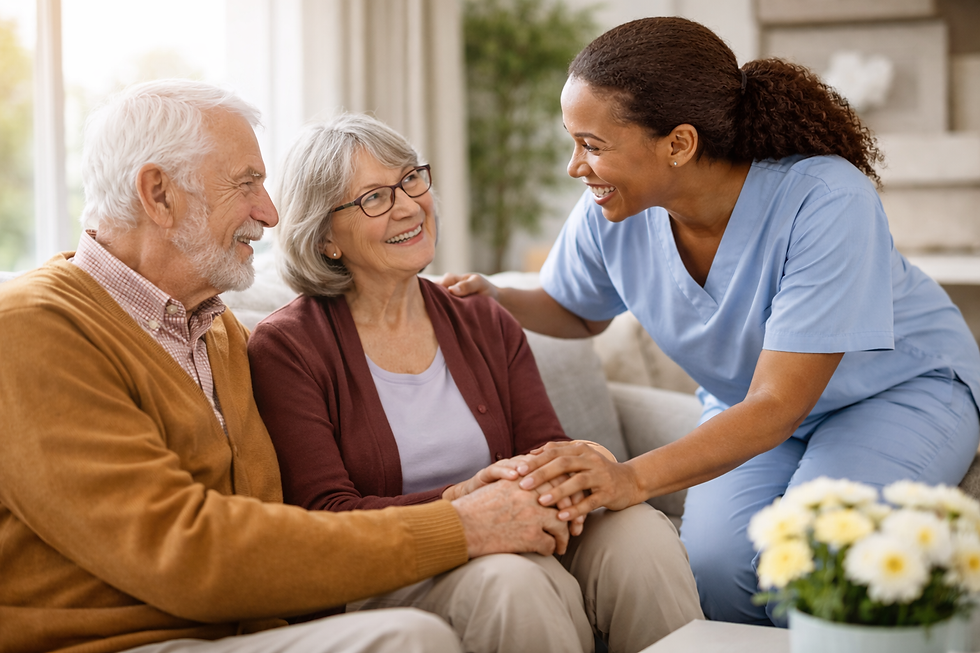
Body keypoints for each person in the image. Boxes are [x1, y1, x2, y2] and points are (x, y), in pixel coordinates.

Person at [0, 80, 580, 653]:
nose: (271, 214)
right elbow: (183, 550)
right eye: (247, 184)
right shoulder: (32, 326)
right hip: (120, 641)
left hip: (242, 627)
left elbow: (272, 516)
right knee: (412, 637)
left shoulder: (215, 329)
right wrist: (463, 523)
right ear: (159, 194)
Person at [441, 16, 980, 626]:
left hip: (895, 391)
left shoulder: (827, 199)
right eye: (574, 141)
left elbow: (780, 401)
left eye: (592, 145)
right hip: (747, 403)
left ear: (678, 144)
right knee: (717, 571)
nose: (575, 167)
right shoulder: (611, 213)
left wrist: (627, 478)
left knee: (816, 556)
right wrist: (493, 296)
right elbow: (575, 311)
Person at [246, 113, 704, 653]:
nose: (408, 205)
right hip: (392, 566)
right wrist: (464, 507)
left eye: (411, 179)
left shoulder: (481, 318)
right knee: (516, 580)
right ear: (326, 239)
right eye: (374, 198)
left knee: (641, 533)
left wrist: (571, 470)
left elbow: (542, 446)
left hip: (520, 526)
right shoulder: (288, 347)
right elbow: (323, 517)